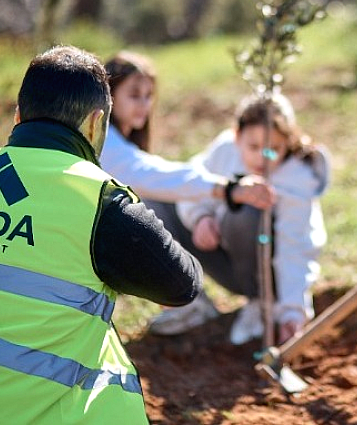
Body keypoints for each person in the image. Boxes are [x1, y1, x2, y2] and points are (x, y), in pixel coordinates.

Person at [0, 45, 203, 424]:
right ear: (95, 124)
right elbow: (180, 285)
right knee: (108, 368)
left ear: (18, 114)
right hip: (8, 413)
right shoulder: (97, 198)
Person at [99, 51, 277, 334]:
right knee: (145, 201)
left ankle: (190, 303)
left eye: (149, 95)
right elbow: (151, 175)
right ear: (108, 96)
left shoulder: (120, 140)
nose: (144, 105)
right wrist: (227, 189)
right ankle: (183, 302)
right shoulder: (105, 143)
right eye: (134, 95)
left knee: (155, 200)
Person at [149, 93, 330, 345]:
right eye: (253, 147)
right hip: (224, 258)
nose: (263, 159)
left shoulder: (297, 180)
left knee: (246, 211)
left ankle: (261, 302)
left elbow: (296, 247)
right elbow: (190, 185)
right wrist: (201, 217)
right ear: (237, 136)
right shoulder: (225, 150)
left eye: (274, 149)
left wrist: (293, 312)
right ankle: (190, 302)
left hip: (267, 272)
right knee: (155, 201)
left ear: (288, 142)